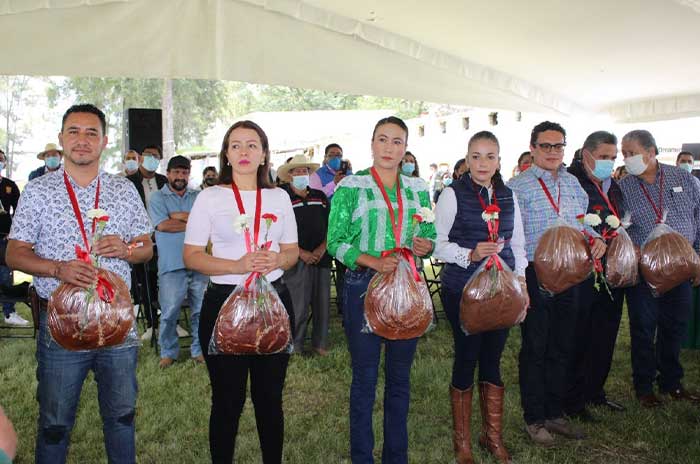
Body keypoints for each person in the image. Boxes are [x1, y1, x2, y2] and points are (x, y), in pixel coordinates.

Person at [6, 103, 153, 463]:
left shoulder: (123, 190)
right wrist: (58, 269)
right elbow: (13, 254)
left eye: (91, 133)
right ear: (61, 139)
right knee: (55, 424)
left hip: (117, 325)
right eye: (74, 131)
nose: (82, 140)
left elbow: (146, 248)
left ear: (104, 142)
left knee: (121, 418)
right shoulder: (38, 191)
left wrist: (127, 249)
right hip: (60, 327)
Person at [183, 120, 299, 463]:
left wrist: (277, 258)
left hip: (273, 302)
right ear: (226, 155)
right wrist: (238, 265)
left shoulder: (279, 197)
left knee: (269, 398)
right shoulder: (210, 197)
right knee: (226, 401)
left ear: (264, 154)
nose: (244, 152)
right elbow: (191, 256)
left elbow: (291, 252)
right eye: (236, 145)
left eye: (252, 145)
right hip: (224, 303)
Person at [327, 116, 436, 463]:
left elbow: (430, 235)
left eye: (397, 142)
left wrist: (425, 247)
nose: (389, 148)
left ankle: (395, 456)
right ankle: (362, 457)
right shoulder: (351, 187)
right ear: (372, 144)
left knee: (400, 380)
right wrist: (372, 261)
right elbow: (334, 242)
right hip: (363, 286)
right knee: (365, 379)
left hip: (407, 287)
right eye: (383, 140)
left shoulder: (418, 188)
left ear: (406, 148)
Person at [507, 121, 606, 446]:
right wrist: (520, 278)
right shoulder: (517, 187)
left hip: (574, 273)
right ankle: (534, 418)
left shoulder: (574, 184)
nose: (552, 152)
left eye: (558, 146)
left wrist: (596, 240)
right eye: (546, 146)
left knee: (564, 344)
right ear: (533, 148)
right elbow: (512, 238)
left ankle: (555, 412)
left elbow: (583, 223)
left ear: (566, 149)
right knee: (536, 346)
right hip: (537, 273)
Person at [434, 131, 527, 464]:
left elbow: (517, 245)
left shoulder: (508, 195)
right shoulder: (452, 194)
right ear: (467, 159)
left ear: (499, 161)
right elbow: (438, 245)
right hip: (463, 287)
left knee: (493, 359)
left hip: (502, 288)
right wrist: (470, 254)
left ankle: (492, 436)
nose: (483, 163)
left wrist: (522, 284)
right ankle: (462, 442)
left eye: (490, 156)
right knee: (467, 357)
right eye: (476, 156)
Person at [618, 130, 700, 407]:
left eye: (631, 152)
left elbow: (698, 219)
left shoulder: (683, 178)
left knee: (674, 326)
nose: (626, 158)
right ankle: (644, 387)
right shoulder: (624, 186)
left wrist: (698, 260)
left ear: (651, 152)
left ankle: (672, 382)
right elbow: (618, 228)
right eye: (624, 153)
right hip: (645, 271)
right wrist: (630, 248)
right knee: (643, 327)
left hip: (681, 267)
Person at [565, 131, 626, 417]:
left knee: (606, 333)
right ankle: (574, 399)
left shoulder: (614, 185)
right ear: (585, 154)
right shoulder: (571, 181)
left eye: (613, 158)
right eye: (603, 157)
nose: (609, 163)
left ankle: (595, 391)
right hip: (582, 269)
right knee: (580, 336)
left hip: (612, 268)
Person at [149, 155, 208, 368]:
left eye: (184, 173)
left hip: (199, 262)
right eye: (176, 172)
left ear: (188, 174)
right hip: (171, 265)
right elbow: (162, 226)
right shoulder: (157, 198)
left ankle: (199, 350)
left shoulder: (199, 195)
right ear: (168, 174)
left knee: (201, 311)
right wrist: (190, 220)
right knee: (169, 312)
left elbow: (206, 224)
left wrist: (178, 217)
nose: (180, 176)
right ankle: (169, 352)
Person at [278, 154, 332, 355]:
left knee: (322, 304)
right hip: (295, 258)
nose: (302, 174)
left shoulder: (320, 196)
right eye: (297, 171)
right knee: (297, 305)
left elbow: (331, 225)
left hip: (322, 257)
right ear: (290, 174)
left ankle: (320, 344)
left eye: (305, 171)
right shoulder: (282, 197)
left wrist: (321, 249)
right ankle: (296, 345)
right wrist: (301, 253)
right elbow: (279, 231)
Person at [127, 145, 168, 341]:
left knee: (165, 278)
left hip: (164, 235)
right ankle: (152, 324)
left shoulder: (163, 181)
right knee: (146, 280)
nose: (152, 158)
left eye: (156, 156)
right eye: (149, 155)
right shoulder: (129, 182)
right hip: (140, 238)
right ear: (141, 158)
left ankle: (170, 321)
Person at [0, 149, 26, 326]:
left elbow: (20, 211)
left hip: (4, 237)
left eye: (1, 159)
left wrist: (14, 232)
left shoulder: (10, 185)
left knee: (5, 275)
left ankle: (9, 313)